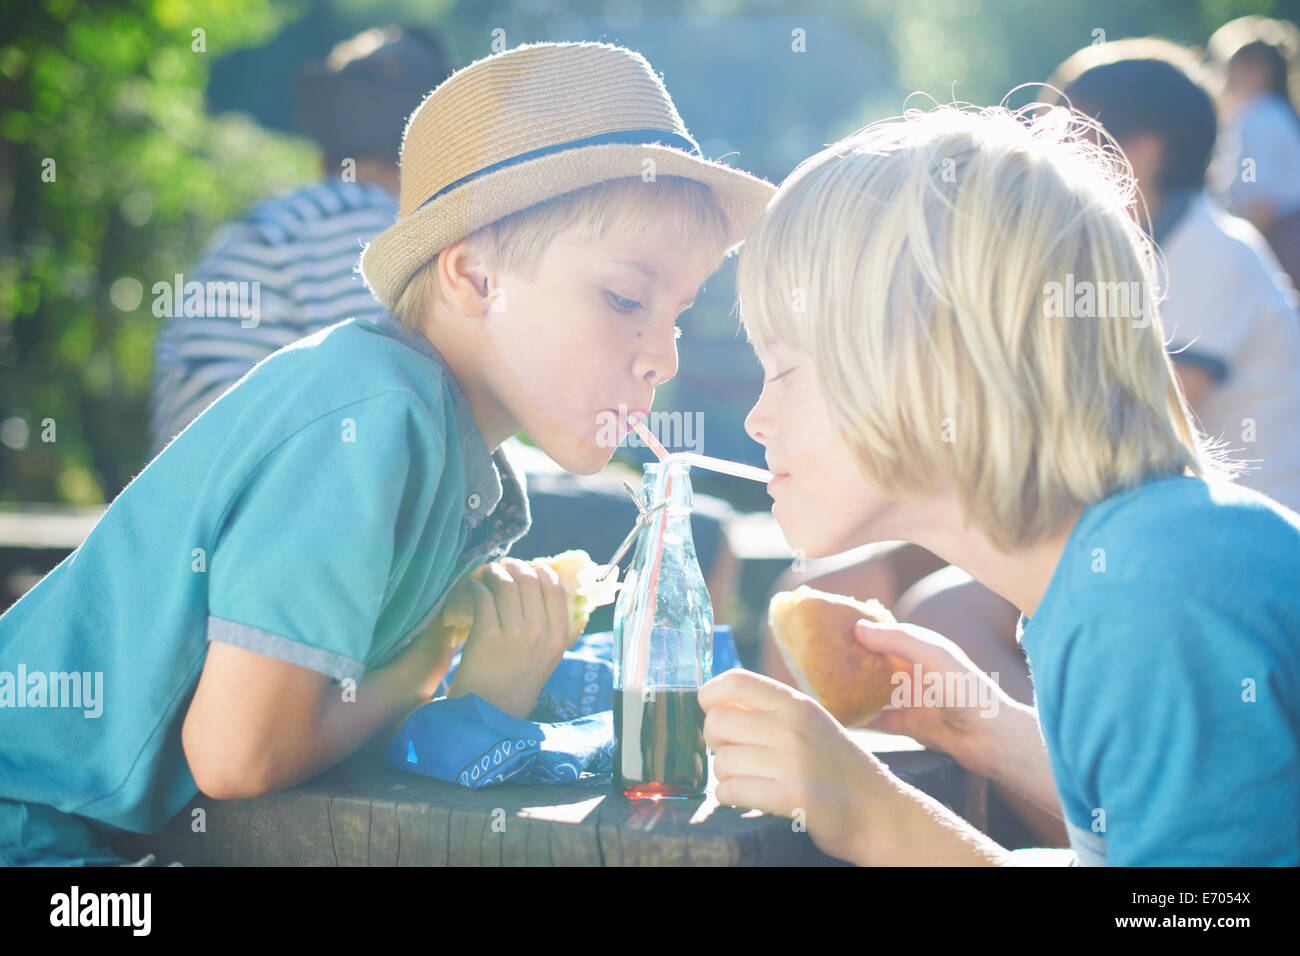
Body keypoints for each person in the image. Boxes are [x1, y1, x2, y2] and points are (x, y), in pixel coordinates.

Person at [0, 41, 774, 865]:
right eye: (626, 298)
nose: (667, 357)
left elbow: (310, 729)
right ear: (474, 277)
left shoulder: (454, 458)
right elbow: (236, 753)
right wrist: (424, 665)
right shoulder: (374, 418)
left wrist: (481, 697)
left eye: (678, 314)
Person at [701, 102, 1300, 865]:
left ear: (937, 364)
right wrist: (983, 730)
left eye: (784, 366)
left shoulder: (1150, 596)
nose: (756, 417)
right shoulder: (1125, 566)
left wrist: (883, 822)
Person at [147, 25, 454, 459]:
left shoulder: (280, 222)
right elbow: (400, 423)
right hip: (274, 504)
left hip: (201, 497)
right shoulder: (381, 234)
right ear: (438, 163)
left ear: (323, 155)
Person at [1207, 15, 1300, 288]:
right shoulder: (1275, 114)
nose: (1224, 77)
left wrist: (1232, 254)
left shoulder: (1257, 119)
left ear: (1257, 69)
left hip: (1277, 244)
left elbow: (1261, 204)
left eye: (1230, 67)